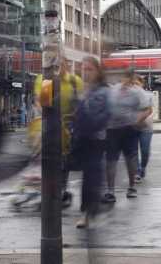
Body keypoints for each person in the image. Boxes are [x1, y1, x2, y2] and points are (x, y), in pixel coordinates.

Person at [33, 59, 84, 208]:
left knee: (64, 164)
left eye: (60, 65)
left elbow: (80, 106)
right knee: (47, 163)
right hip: (48, 128)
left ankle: (60, 192)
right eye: (53, 65)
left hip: (69, 129)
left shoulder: (75, 81)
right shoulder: (44, 79)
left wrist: (73, 119)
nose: (57, 68)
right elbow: (40, 103)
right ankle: (49, 195)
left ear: (66, 65)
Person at [71, 56, 110, 228]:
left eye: (89, 69)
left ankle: (88, 211)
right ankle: (90, 208)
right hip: (81, 138)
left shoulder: (104, 92)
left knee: (91, 174)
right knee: (88, 175)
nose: (85, 73)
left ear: (97, 71)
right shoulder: (82, 90)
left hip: (96, 138)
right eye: (83, 69)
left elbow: (106, 115)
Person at [102, 70, 151, 202]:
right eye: (123, 78)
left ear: (131, 78)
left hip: (130, 129)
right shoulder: (114, 90)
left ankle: (132, 188)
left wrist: (137, 120)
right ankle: (110, 191)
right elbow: (106, 107)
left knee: (130, 159)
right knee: (111, 160)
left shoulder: (138, 92)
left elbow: (147, 109)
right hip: (112, 130)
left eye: (127, 78)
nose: (125, 80)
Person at [134, 75, 154, 182]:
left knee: (145, 151)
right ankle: (137, 171)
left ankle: (143, 167)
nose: (135, 86)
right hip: (133, 128)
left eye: (137, 84)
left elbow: (150, 110)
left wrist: (139, 120)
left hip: (146, 127)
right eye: (134, 84)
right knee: (133, 151)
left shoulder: (148, 95)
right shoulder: (130, 96)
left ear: (142, 84)